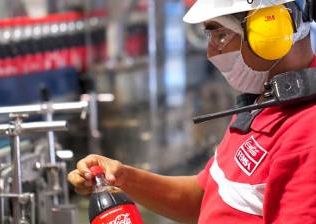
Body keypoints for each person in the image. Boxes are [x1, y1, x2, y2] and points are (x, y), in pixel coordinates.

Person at [68, 0, 316, 223]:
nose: (211, 53)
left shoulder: (307, 138)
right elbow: (204, 195)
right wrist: (123, 178)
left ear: (271, 31)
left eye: (219, 35)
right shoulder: (265, 100)